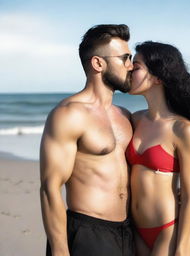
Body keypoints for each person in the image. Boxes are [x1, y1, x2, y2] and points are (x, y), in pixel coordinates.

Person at [126, 41, 190, 255]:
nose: (129, 69)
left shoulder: (183, 129)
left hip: (169, 231)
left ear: (157, 77)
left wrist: (181, 247)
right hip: (136, 230)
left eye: (136, 67)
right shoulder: (134, 120)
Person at [40, 24, 135, 256]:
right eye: (125, 58)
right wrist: (60, 248)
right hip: (88, 232)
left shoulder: (125, 115)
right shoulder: (69, 114)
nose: (131, 66)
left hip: (129, 231)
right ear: (98, 63)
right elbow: (50, 187)